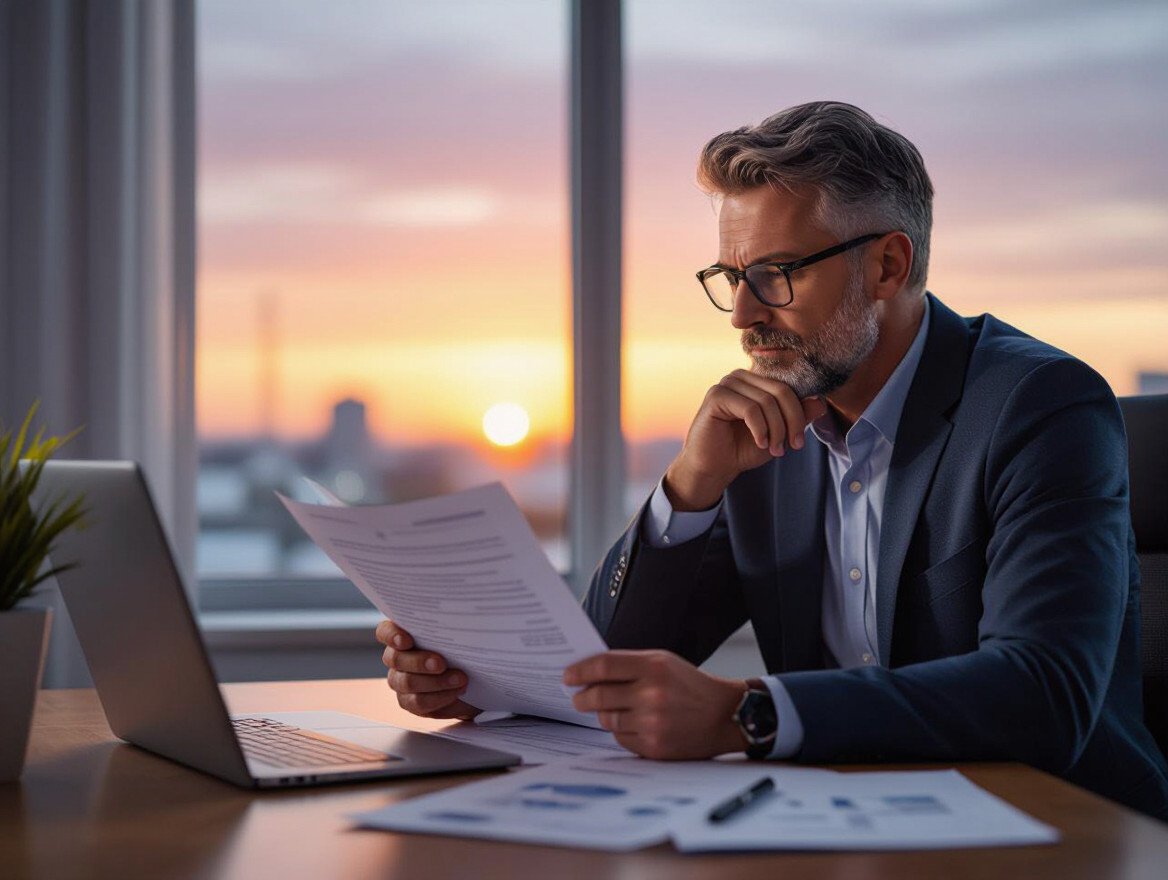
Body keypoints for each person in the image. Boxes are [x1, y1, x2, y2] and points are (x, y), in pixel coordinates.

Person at [375, 101, 1168, 819]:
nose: (744, 314)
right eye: (731, 277)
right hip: (841, 827)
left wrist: (747, 711)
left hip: (1060, 834)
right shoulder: (771, 423)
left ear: (888, 265)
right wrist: (690, 489)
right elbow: (613, 665)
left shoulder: (1040, 405)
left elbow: (1044, 694)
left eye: (775, 275)